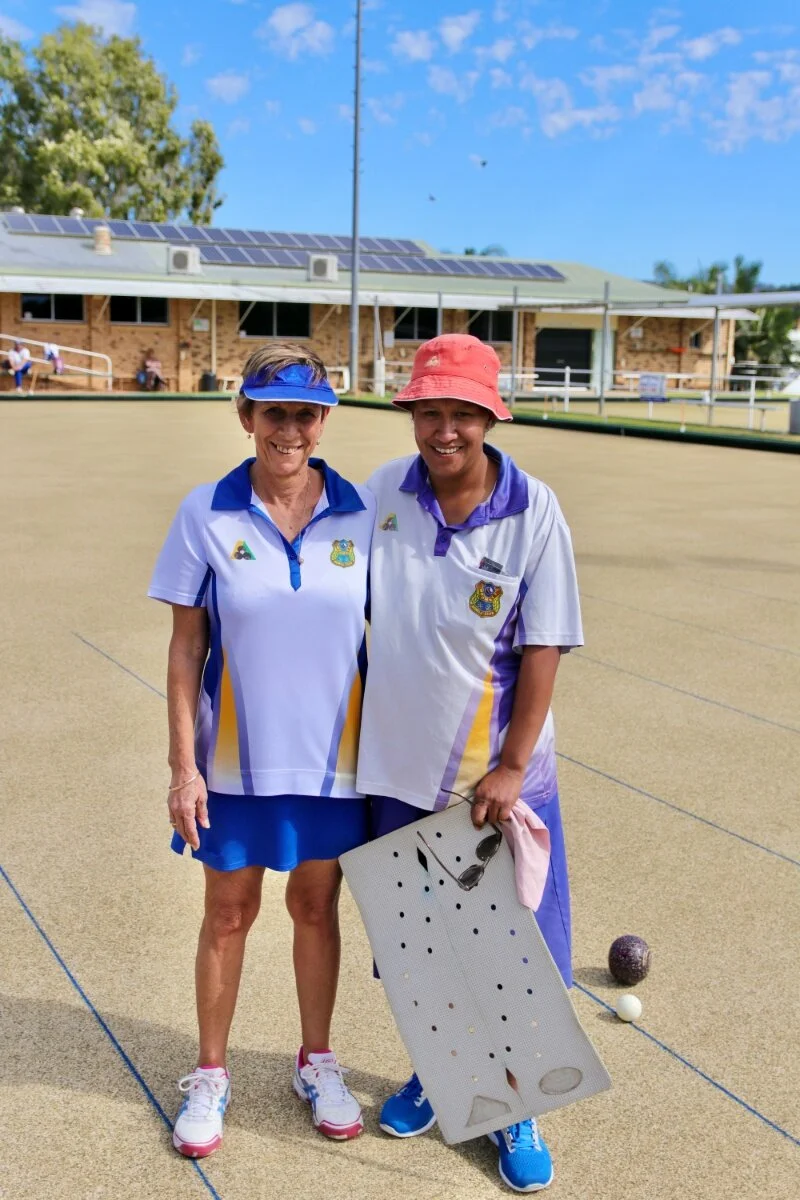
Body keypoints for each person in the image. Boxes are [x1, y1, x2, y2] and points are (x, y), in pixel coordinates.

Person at [357, 334, 583, 1193]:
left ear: (490, 417)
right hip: (397, 774)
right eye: (429, 411)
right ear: (412, 413)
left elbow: (548, 643)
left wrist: (513, 764)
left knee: (511, 949)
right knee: (421, 951)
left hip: (492, 778)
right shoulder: (383, 493)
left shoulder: (534, 510)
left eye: (461, 413)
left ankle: (514, 1100)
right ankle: (441, 1075)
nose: (443, 429)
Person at [148, 344, 375, 1158]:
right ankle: (210, 1074)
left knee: (317, 909)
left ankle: (317, 1061)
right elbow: (183, 652)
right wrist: (182, 766)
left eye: (305, 413)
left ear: (324, 420)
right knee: (228, 914)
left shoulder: (361, 511)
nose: (289, 429)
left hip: (335, 766)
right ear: (246, 415)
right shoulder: (204, 513)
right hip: (234, 766)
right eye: (273, 411)